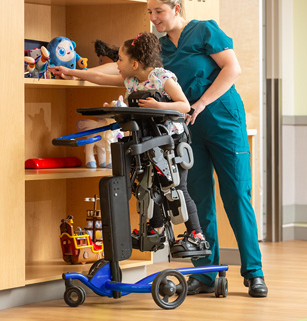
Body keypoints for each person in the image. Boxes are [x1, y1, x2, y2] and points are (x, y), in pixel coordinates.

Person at [48, 32, 211, 257]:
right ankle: (156, 229)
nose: (117, 65)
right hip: (147, 142)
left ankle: (197, 235)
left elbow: (184, 106)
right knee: (149, 187)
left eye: (120, 60)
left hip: (172, 142)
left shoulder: (162, 77)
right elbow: (100, 78)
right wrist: (70, 71)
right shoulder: (131, 80)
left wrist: (157, 106)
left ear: (134, 63)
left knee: (177, 189)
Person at [145, 0, 268, 298]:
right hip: (189, 129)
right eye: (149, 13)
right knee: (198, 198)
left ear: (176, 8)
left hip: (224, 120)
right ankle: (206, 273)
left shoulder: (203, 30)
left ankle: (254, 273)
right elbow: (126, 65)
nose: (154, 18)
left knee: (237, 194)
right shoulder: (160, 49)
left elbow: (232, 68)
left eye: (158, 11)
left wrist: (201, 103)